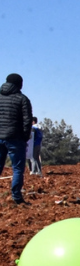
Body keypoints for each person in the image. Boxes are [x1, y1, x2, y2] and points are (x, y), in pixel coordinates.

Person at [0, 73, 33, 204]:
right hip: (15, 138)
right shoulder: (22, 99)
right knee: (18, 169)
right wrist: (24, 138)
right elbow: (27, 120)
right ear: (20, 84)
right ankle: (17, 197)